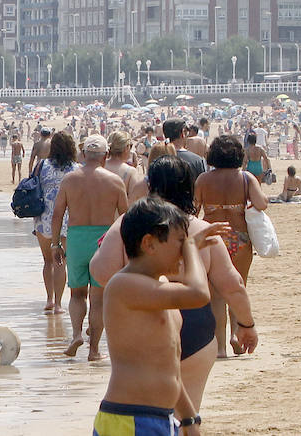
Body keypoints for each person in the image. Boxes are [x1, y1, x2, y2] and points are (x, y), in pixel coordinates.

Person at [91, 156, 257, 414]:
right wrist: (246, 325)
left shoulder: (128, 225)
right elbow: (232, 284)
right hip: (196, 324)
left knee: (142, 412)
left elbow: (100, 271)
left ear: (151, 186)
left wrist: (139, 287)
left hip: (143, 319)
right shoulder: (199, 228)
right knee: (187, 413)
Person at [94, 197, 218, 436]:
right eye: (179, 243)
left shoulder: (160, 287)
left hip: (162, 417)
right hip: (129, 418)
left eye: (185, 245)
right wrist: (193, 248)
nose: (183, 251)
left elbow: (167, 364)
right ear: (149, 244)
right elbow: (199, 294)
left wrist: (190, 418)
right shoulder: (124, 285)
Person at [51, 135, 127, 360]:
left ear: (83, 155)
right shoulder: (114, 181)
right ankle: (94, 350)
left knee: (76, 293)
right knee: (98, 296)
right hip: (104, 240)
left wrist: (55, 243)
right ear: (105, 156)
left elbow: (57, 214)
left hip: (76, 238)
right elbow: (125, 216)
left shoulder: (69, 180)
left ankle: (76, 334)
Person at [194, 134, 269, 357]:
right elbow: (261, 203)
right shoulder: (245, 178)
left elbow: (194, 209)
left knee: (216, 294)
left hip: (213, 238)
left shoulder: (204, 179)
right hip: (240, 238)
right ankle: (236, 333)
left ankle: (219, 348)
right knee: (238, 287)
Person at [34, 131, 77, 313]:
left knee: (47, 261)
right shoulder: (76, 168)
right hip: (66, 219)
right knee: (61, 261)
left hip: (43, 218)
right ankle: (59, 304)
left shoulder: (42, 165)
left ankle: (49, 299)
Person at [105, 131, 145, 201]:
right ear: (126, 148)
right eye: (130, 146)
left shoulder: (99, 166)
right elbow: (133, 200)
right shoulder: (130, 171)